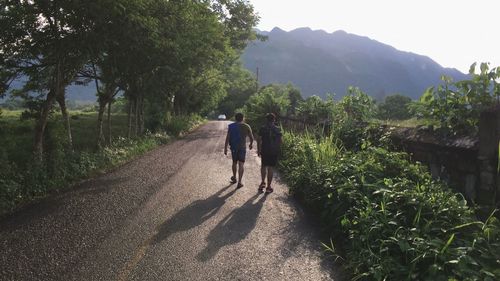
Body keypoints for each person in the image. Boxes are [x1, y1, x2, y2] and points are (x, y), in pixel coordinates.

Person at [224, 113, 254, 188]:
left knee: (234, 162)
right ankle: (240, 182)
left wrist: (225, 148)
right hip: (242, 147)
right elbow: (251, 137)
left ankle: (234, 177)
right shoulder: (246, 126)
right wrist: (251, 144)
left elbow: (228, 137)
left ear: (235, 118)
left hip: (234, 147)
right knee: (241, 164)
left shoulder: (231, 126)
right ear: (243, 118)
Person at [257, 113, 282, 194]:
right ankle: (268, 187)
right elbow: (281, 141)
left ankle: (262, 183)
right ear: (274, 120)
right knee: (271, 168)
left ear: (266, 119)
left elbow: (259, 140)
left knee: (263, 166)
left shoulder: (262, 128)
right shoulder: (278, 129)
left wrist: (259, 150)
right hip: (273, 151)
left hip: (264, 150)